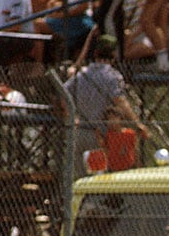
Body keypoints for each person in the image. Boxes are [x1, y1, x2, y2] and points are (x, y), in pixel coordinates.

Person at [63, 33, 150, 177]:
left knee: (80, 180)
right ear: (114, 54)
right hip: (102, 135)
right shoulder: (112, 76)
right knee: (102, 180)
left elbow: (63, 93)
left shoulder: (81, 74)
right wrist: (137, 123)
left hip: (80, 131)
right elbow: (120, 101)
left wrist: (70, 118)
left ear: (96, 52)